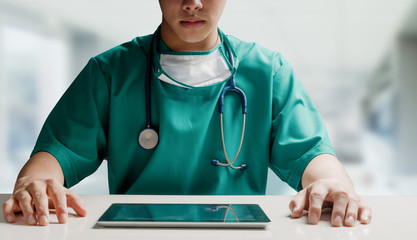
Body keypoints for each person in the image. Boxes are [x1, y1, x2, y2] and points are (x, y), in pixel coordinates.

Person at [1, 0, 371, 228]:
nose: (192, 3)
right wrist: (34, 181)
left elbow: (312, 154)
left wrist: (333, 183)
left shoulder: (268, 72)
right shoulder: (111, 72)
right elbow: (57, 152)